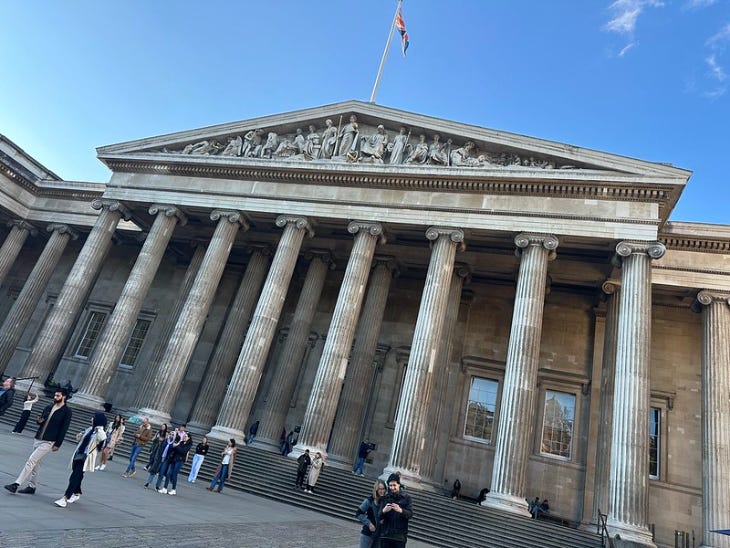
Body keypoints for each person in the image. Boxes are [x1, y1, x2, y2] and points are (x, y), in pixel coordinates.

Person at [5, 389, 72, 495]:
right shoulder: (49, 407)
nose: (55, 397)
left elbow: (64, 428)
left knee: (31, 461)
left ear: (64, 397)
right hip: (38, 437)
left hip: (49, 440)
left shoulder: (67, 411)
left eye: (58, 396)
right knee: (36, 463)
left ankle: (16, 484)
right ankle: (32, 487)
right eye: (55, 395)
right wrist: (39, 421)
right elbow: (41, 419)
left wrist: (58, 444)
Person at [54, 412, 107, 507]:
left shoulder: (100, 432)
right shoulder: (89, 429)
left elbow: (102, 438)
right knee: (77, 475)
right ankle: (77, 493)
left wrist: (99, 427)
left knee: (75, 476)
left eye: (94, 417)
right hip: (78, 454)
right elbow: (80, 440)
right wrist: (80, 435)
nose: (92, 419)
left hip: (86, 457)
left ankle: (65, 498)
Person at [377, 473, 413, 548]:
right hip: (386, 535)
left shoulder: (406, 498)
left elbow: (410, 514)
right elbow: (379, 516)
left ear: (399, 484)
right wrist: (384, 511)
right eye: (390, 485)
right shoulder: (385, 498)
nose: (392, 488)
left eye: (394, 485)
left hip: (399, 537)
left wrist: (401, 510)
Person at [356, 479, 387, 548]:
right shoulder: (369, 500)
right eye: (379, 489)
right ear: (376, 490)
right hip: (367, 534)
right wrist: (369, 524)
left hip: (378, 535)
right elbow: (358, 513)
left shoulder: (385, 501)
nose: (382, 491)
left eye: (383, 489)